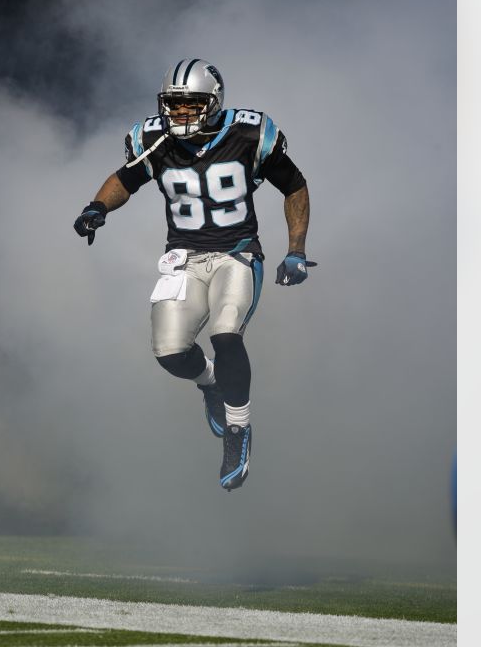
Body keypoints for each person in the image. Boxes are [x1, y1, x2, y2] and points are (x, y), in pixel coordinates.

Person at [72, 58, 315, 491]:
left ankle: (238, 430)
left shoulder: (247, 134)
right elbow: (125, 178)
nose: (181, 114)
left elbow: (293, 185)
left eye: (192, 105)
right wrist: (97, 207)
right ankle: (211, 385)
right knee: (168, 352)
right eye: (174, 105)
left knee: (226, 335)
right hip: (183, 258)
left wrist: (295, 249)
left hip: (236, 255)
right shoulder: (154, 139)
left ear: (214, 102)